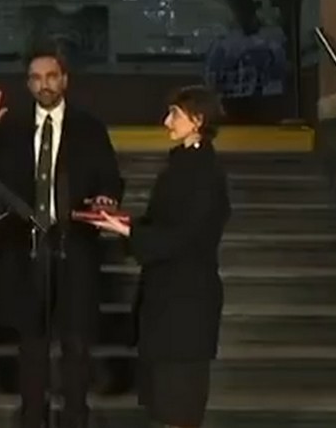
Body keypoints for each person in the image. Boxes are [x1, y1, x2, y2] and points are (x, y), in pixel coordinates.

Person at [0, 47, 124, 428]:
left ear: (65, 80)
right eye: (36, 78)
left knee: (76, 346)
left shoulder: (89, 128)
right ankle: (32, 419)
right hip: (24, 252)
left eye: (51, 76)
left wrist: (107, 197)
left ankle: (74, 420)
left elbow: (110, 177)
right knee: (32, 348)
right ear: (28, 84)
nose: (44, 84)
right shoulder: (9, 127)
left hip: (76, 249)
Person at [89, 85, 230, 428]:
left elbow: (186, 235)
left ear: (197, 120)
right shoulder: (182, 165)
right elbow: (165, 225)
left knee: (179, 408)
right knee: (164, 404)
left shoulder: (204, 172)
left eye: (175, 114)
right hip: (166, 301)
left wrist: (130, 232)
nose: (167, 120)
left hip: (186, 305)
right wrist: (123, 223)